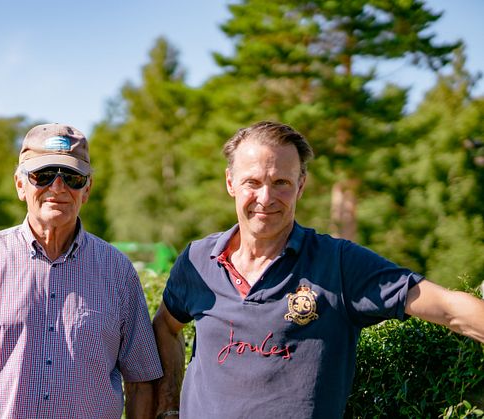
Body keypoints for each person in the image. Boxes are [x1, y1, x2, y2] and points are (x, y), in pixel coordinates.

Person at [152, 121, 484, 418]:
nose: (266, 198)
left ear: (301, 185)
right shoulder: (197, 260)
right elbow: (166, 326)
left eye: (281, 182)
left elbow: (448, 308)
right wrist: (168, 406)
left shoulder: (338, 263)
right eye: (252, 182)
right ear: (230, 183)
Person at [0, 123, 163, 419]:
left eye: (72, 177)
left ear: (87, 189)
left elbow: (142, 381)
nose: (58, 187)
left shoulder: (118, 270)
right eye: (42, 176)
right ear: (20, 185)